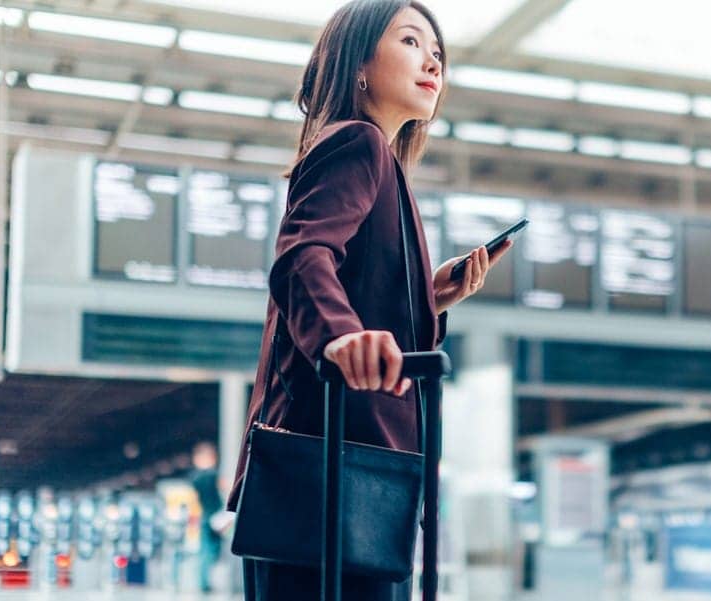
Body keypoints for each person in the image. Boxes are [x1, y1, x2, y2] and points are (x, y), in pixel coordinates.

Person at [224, 1, 511, 599]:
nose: (431, 60)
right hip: (330, 474)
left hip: (357, 479)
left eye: (437, 52)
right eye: (410, 42)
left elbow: (343, 271)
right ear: (358, 64)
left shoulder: (388, 167)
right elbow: (303, 254)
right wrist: (340, 336)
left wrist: (430, 296)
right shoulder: (358, 142)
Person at [189, 442, 223, 594]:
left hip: (204, 516)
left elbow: (194, 499)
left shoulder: (195, 477)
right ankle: (205, 583)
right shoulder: (213, 474)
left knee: (204, 550)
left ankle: (203, 582)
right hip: (216, 517)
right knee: (213, 550)